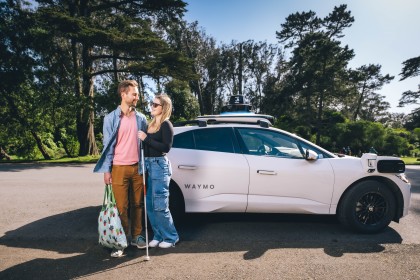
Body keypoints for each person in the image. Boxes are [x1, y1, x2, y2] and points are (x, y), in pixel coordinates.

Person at [94, 80, 148, 258]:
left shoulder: (141, 118)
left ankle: (137, 236)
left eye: (137, 94)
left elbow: (145, 146)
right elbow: (107, 146)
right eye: (134, 94)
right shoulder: (110, 118)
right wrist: (106, 170)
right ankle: (121, 240)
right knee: (121, 207)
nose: (137, 97)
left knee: (138, 204)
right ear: (123, 94)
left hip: (137, 168)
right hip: (118, 168)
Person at [138, 93, 179, 249]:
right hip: (148, 165)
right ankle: (158, 235)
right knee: (150, 204)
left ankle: (171, 236)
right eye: (152, 104)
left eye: (155, 105)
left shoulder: (166, 124)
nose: (152, 107)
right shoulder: (148, 125)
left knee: (160, 204)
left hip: (159, 166)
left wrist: (146, 139)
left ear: (164, 108)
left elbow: (166, 148)